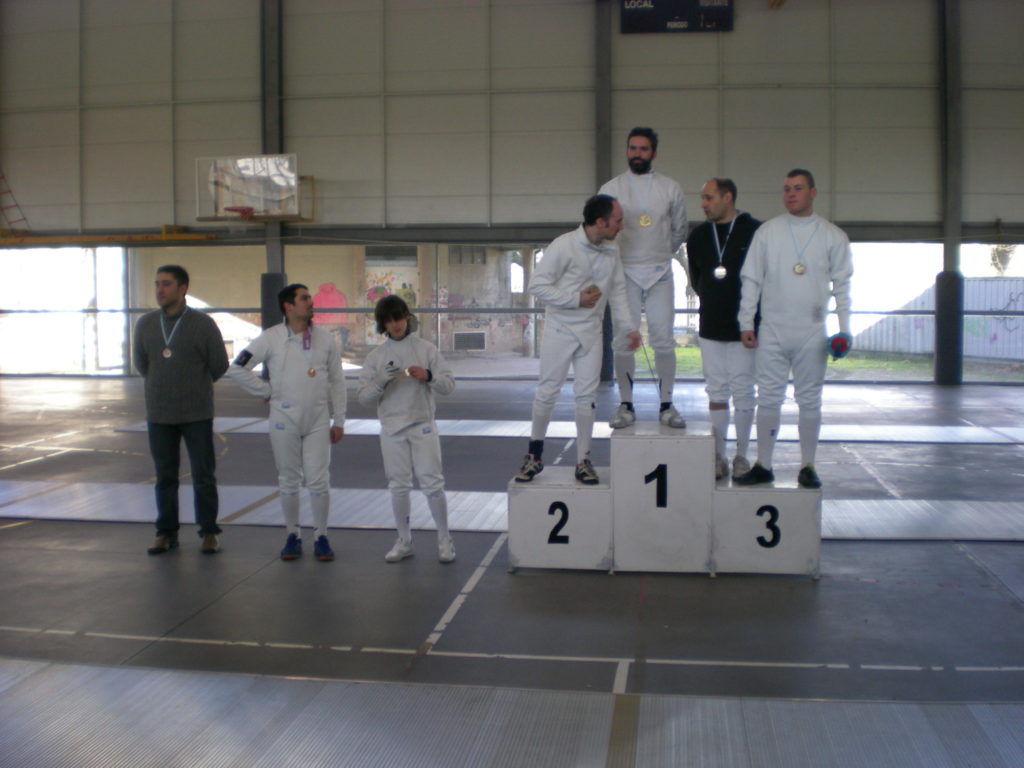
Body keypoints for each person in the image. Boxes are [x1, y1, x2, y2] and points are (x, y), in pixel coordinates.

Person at [735, 169, 853, 489]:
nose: (791, 194)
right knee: (768, 398)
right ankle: (764, 464)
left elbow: (842, 286)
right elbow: (751, 279)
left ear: (813, 192)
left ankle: (808, 466)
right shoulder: (767, 232)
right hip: (772, 330)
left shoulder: (832, 236)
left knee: (810, 400)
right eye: (787, 188)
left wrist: (844, 330)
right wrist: (746, 322)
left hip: (812, 332)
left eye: (798, 188)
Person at [515, 194, 641, 486]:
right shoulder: (564, 245)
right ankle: (534, 456)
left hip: (591, 332)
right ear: (600, 222)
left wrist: (629, 328)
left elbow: (618, 292)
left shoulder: (612, 250)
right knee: (547, 393)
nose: (622, 226)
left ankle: (583, 460)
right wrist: (575, 299)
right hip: (560, 330)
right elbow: (537, 286)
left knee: (587, 398)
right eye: (618, 221)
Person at [227, 283, 346, 561]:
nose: (311, 302)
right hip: (284, 419)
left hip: (318, 420)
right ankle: (293, 535)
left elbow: (337, 381)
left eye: (310, 297)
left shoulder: (325, 339)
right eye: (304, 298)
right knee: (289, 480)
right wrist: (266, 390)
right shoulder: (271, 338)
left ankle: (321, 536)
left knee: (319, 480)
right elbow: (237, 368)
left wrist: (339, 420)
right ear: (288, 306)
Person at [133, 265, 228, 555]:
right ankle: (165, 532)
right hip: (159, 414)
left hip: (196, 414)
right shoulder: (146, 324)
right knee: (165, 477)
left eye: (166, 284)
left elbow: (219, 365)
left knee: (203, 476)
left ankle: (209, 532)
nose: (160, 290)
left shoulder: (202, 324)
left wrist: (193, 386)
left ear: (183, 288)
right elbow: (142, 364)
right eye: (157, 284)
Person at [599, 126, 688, 429]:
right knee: (623, 341)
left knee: (664, 340)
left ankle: (667, 405)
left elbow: (679, 230)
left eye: (643, 149)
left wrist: (660, 255)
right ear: (627, 151)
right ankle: (626, 405)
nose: (637, 154)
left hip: (660, 272)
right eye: (633, 148)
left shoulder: (670, 188)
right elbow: (603, 231)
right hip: (624, 273)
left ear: (654, 154)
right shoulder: (611, 188)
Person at [357, 295, 456, 563]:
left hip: (422, 426)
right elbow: (364, 398)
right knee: (398, 486)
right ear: (383, 325)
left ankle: (445, 540)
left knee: (432, 484)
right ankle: (404, 540)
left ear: (407, 318)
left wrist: (429, 376)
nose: (396, 324)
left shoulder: (426, 349)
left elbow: (448, 385)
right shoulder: (376, 357)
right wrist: (380, 382)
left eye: (399, 318)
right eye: (389, 320)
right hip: (392, 429)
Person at [686, 178, 762, 481]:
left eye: (709, 198)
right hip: (711, 325)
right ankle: (718, 455)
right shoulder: (698, 236)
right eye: (702, 198)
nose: (703, 204)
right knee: (716, 390)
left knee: (744, 390)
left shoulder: (754, 231)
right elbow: (697, 280)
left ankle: (742, 456)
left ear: (727, 197)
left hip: (746, 326)